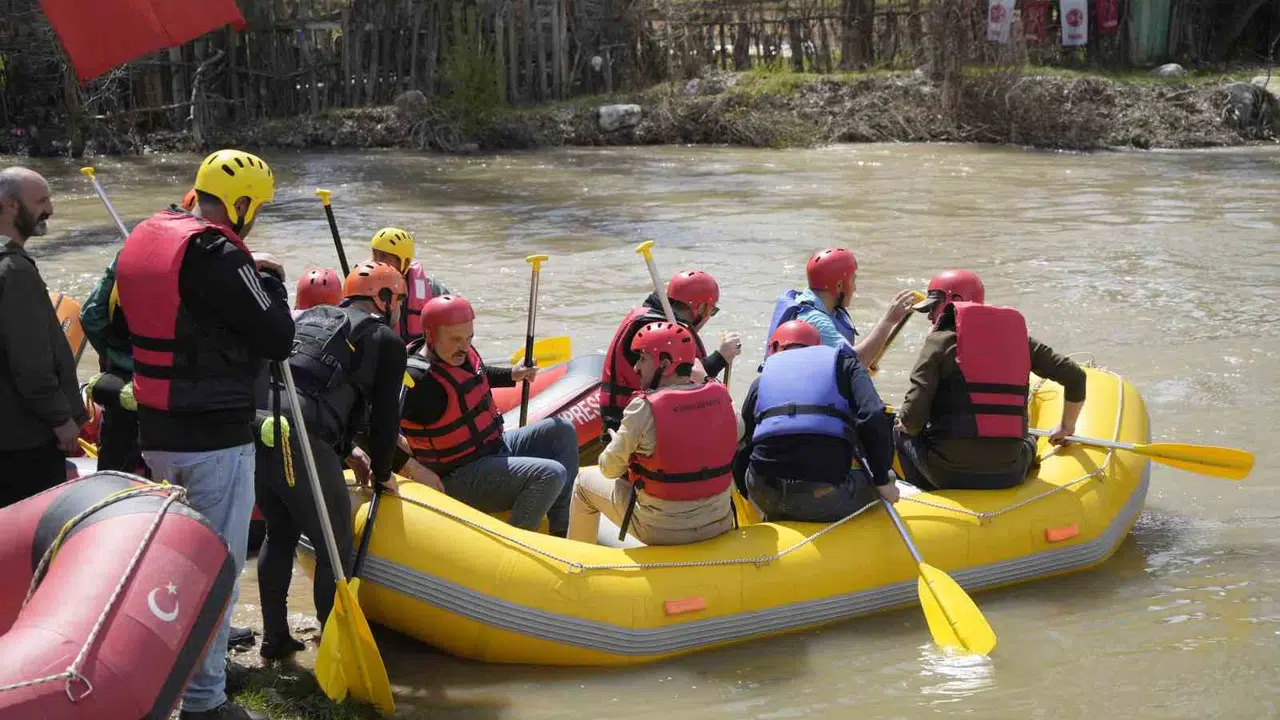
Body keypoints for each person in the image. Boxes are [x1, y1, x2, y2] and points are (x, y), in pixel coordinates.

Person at [115, 149, 294, 720]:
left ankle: (181, 668)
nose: (253, 219)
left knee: (174, 561)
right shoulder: (217, 251)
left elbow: (120, 323)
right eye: (255, 209)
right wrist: (270, 280)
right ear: (240, 205)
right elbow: (277, 335)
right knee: (215, 563)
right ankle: (206, 701)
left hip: (157, 430)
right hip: (214, 437)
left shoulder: (146, 235)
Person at [254, 261, 407, 660]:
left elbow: (315, 386)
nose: (400, 307)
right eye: (398, 299)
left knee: (279, 531)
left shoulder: (314, 316)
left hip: (261, 425)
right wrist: (385, 473)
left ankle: (275, 639)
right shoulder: (386, 339)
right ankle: (334, 651)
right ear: (384, 298)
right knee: (335, 550)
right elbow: (385, 418)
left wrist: (347, 451)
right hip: (305, 437)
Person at [397, 293, 578, 536]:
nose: (464, 346)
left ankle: (558, 532)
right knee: (550, 474)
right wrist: (412, 467)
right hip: (458, 476)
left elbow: (476, 376)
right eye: (456, 339)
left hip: (495, 449)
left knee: (561, 430)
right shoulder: (418, 381)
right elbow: (371, 425)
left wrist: (512, 375)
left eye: (469, 337)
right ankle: (518, 549)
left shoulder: (459, 352)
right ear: (429, 335)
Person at [895, 269, 1087, 492]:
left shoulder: (939, 342)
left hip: (946, 474)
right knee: (1030, 440)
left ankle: (927, 496)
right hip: (1011, 472)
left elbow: (911, 420)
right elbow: (1076, 376)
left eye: (932, 307)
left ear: (954, 302)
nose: (929, 316)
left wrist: (904, 423)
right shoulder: (1021, 342)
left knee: (898, 429)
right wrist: (1066, 427)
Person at [569, 321, 738, 545]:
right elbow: (736, 433)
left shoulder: (643, 408)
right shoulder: (722, 398)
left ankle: (578, 565)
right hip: (719, 521)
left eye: (644, 358)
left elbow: (609, 470)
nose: (636, 367)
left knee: (583, 481)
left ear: (665, 363)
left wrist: (617, 446)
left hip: (661, 529)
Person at [736, 320, 898, 523]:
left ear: (774, 348)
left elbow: (743, 445)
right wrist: (882, 480)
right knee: (886, 477)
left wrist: (752, 497)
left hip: (764, 494)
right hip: (822, 497)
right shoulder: (844, 364)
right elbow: (873, 415)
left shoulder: (761, 380)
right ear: (817, 347)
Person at [0, 166, 88, 505]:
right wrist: (61, 420)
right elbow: (31, 362)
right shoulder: (15, 270)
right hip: (26, 443)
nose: (49, 209)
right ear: (9, 205)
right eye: (40, 201)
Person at [598, 270, 742, 438]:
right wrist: (721, 357)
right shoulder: (659, 332)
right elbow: (689, 382)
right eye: (711, 311)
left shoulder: (648, 318)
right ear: (702, 308)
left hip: (626, 417)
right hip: (635, 424)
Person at [763, 247, 918, 366]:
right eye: (853, 281)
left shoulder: (820, 306)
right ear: (838, 285)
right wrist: (888, 320)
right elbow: (856, 363)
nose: (855, 288)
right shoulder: (813, 320)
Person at [79, 252, 145, 473]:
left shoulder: (128, 255)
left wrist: (114, 356)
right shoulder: (202, 258)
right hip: (173, 393)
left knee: (114, 470)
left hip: (119, 383)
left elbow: (91, 315)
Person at [368, 227, 450, 342]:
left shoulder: (433, 290)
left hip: (418, 354)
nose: (377, 261)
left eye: (384, 256)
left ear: (405, 262)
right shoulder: (364, 288)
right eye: (374, 254)